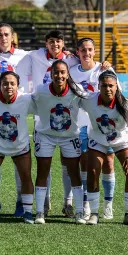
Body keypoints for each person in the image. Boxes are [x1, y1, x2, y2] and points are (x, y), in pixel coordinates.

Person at [31, 60, 86, 224]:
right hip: (45, 135)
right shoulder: (41, 90)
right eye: (56, 72)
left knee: (74, 172)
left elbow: (90, 104)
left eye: (62, 72)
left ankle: (79, 212)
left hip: (69, 136)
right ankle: (40, 212)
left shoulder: (77, 91)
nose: (59, 75)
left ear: (68, 74)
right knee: (42, 171)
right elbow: (29, 104)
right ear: (51, 74)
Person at [80, 71, 128, 226]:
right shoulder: (89, 99)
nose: (108, 89)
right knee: (93, 170)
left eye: (111, 85)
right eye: (104, 85)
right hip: (98, 139)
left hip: (121, 140)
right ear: (98, 86)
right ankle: (94, 214)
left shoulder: (124, 104)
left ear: (116, 87)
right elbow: (73, 94)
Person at [0, 71, 35, 224]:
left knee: (25, 176)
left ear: (18, 86)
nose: (8, 86)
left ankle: (28, 212)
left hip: (19, 144)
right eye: (5, 83)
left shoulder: (26, 99)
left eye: (12, 83)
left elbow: (43, 110)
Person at [70, 37, 117, 219]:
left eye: (90, 49)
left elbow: (116, 94)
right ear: (78, 52)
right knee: (85, 161)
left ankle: (108, 204)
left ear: (95, 51)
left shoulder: (105, 70)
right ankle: (86, 203)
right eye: (83, 50)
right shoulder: (72, 72)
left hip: (104, 123)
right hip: (81, 123)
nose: (87, 53)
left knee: (109, 162)